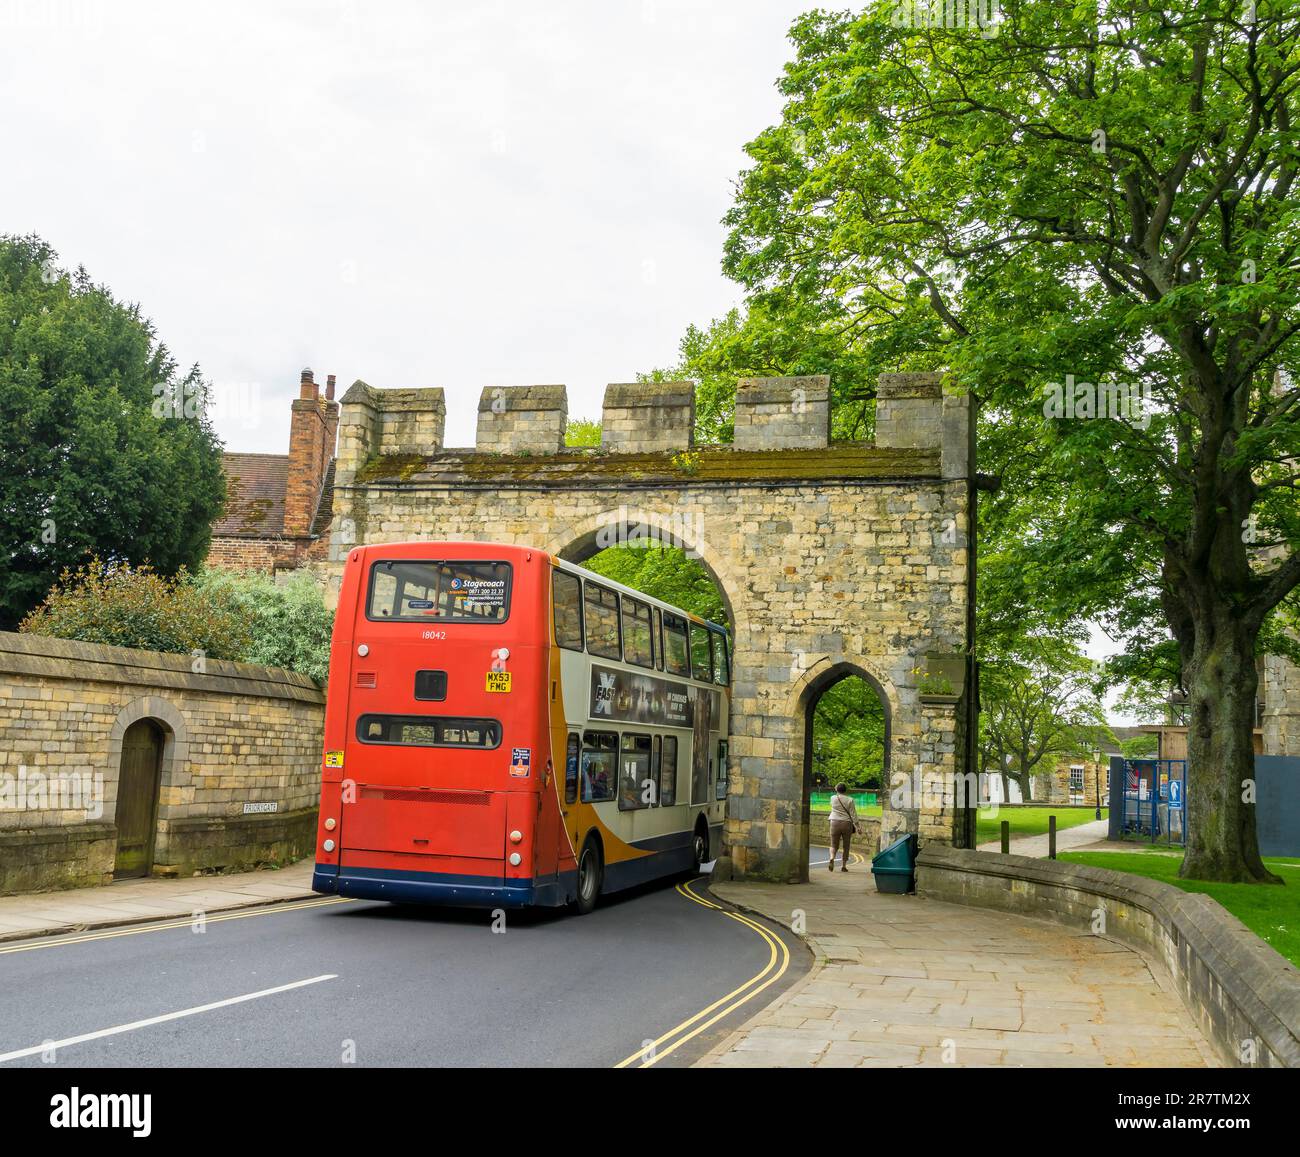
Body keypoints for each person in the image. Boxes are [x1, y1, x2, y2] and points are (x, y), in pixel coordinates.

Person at [828, 783, 859, 872]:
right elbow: (853, 814)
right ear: (845, 790)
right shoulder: (850, 800)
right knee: (846, 845)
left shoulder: (833, 798)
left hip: (834, 822)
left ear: (837, 789)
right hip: (847, 823)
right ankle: (844, 866)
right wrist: (858, 826)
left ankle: (832, 858)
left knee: (833, 844)